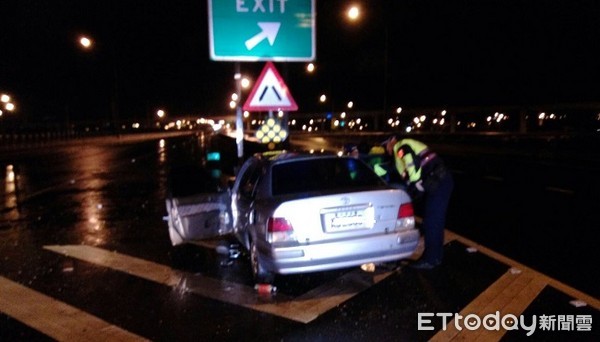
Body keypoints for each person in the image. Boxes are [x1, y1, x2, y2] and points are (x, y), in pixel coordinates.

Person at [385, 136, 453, 269]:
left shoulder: (401, 146)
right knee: (434, 221)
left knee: (432, 221)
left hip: (439, 180)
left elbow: (411, 163)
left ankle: (431, 260)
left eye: (386, 145)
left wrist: (415, 183)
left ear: (391, 141)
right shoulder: (398, 154)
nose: (386, 148)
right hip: (439, 181)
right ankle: (435, 257)